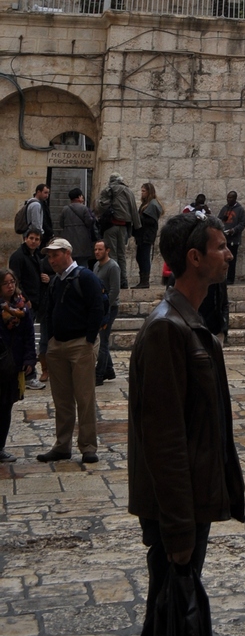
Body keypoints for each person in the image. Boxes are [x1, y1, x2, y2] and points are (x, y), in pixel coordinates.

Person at [127, 211, 245, 636]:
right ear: (195, 258)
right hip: (177, 511)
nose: (228, 254)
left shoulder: (186, 321)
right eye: (220, 247)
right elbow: (164, 440)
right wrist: (177, 526)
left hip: (191, 504)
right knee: (173, 616)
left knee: (170, 617)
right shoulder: (165, 329)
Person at [36, 236, 105, 465]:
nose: (52, 260)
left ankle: (88, 446)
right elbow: (50, 311)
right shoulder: (56, 281)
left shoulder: (85, 277)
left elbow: (97, 307)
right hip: (59, 346)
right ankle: (62, 445)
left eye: (55, 255)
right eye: (49, 256)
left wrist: (89, 339)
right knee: (62, 399)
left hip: (80, 344)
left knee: (84, 397)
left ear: (68, 253)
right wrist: (50, 343)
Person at [0, 269, 35, 462]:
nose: (10, 286)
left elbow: (29, 335)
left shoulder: (22, 308)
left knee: (5, 406)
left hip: (13, 364)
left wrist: (30, 359)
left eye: (12, 282)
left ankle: (0, 447)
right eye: (5, 283)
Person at [10, 227, 50, 387]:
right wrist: (25, 299)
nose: (34, 241)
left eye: (37, 239)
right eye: (31, 238)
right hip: (25, 304)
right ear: (25, 238)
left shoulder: (36, 256)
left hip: (36, 302)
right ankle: (28, 375)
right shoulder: (18, 257)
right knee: (26, 339)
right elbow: (16, 280)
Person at [98, 173, 139, 289]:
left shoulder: (107, 190)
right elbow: (133, 208)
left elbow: (100, 206)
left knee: (112, 254)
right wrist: (137, 226)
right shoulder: (128, 191)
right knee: (121, 254)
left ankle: (114, 281)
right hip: (124, 227)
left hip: (110, 226)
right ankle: (123, 280)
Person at [93, 238, 121, 385]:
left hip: (109, 308)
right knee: (102, 338)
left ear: (107, 250)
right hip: (99, 307)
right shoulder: (96, 265)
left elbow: (115, 290)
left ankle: (99, 374)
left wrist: (105, 306)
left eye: (100, 249)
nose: (97, 252)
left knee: (102, 340)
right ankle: (109, 369)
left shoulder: (113, 267)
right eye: (96, 249)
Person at [59, 187, 97, 267]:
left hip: (68, 242)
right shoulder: (84, 208)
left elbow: (61, 224)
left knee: (69, 265)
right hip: (82, 243)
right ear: (79, 197)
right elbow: (89, 223)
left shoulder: (65, 209)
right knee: (82, 266)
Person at [136, 184, 163, 288]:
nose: (142, 193)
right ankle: (142, 280)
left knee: (144, 257)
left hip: (147, 234)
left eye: (144, 191)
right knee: (140, 256)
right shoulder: (146, 204)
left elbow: (152, 221)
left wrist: (139, 218)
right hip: (142, 234)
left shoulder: (152, 204)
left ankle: (145, 281)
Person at [218, 191, 245, 285]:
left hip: (234, 239)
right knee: (221, 259)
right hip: (223, 239)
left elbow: (242, 224)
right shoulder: (224, 208)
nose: (228, 200)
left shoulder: (240, 209)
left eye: (231, 198)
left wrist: (233, 230)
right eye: (228, 198)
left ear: (235, 198)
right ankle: (221, 278)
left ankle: (230, 279)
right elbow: (218, 221)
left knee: (231, 260)